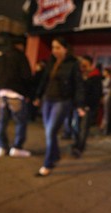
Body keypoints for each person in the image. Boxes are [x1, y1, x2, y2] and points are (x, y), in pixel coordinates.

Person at [34, 37, 85, 176]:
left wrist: (80, 105)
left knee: (50, 132)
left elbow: (79, 85)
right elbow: (45, 80)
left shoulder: (73, 63)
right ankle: (55, 155)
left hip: (62, 101)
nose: (54, 50)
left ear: (65, 48)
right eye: (53, 47)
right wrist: (38, 96)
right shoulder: (51, 61)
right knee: (48, 131)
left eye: (57, 47)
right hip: (47, 100)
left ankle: (48, 163)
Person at [0, 35, 32, 158]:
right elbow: (27, 76)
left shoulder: (0, 58)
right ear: (19, 45)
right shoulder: (20, 57)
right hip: (16, 94)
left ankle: (2, 147)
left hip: (2, 93)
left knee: (2, 121)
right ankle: (17, 148)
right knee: (20, 122)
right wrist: (28, 93)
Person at [71, 55, 102, 158]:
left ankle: (79, 148)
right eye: (81, 65)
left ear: (90, 64)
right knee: (75, 127)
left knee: (83, 128)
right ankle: (76, 144)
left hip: (87, 107)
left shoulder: (95, 76)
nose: (82, 67)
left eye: (85, 65)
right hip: (78, 106)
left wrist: (88, 106)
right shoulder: (79, 75)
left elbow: (96, 94)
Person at [100, 68, 111, 134]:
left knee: (106, 113)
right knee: (105, 113)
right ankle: (103, 126)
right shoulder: (106, 79)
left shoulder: (109, 79)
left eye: (104, 71)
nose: (103, 73)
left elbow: (108, 90)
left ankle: (104, 128)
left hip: (107, 97)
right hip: (105, 96)